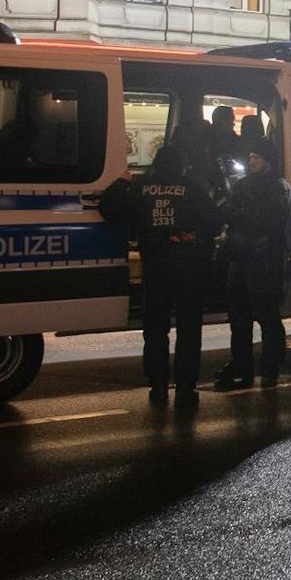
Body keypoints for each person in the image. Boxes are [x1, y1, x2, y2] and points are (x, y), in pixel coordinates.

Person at [99, 143, 220, 407]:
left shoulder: (143, 187)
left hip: (155, 265)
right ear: (182, 164)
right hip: (188, 265)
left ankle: (159, 385)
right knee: (189, 328)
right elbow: (214, 222)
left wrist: (121, 181)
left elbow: (109, 209)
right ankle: (186, 387)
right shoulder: (192, 187)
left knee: (155, 328)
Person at [215, 139, 291, 391]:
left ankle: (270, 368)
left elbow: (268, 219)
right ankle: (242, 365)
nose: (252, 162)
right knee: (239, 317)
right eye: (250, 157)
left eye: (256, 157)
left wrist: (239, 215)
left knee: (267, 316)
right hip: (241, 258)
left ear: (267, 160)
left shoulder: (279, 187)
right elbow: (228, 210)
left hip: (265, 259)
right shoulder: (243, 184)